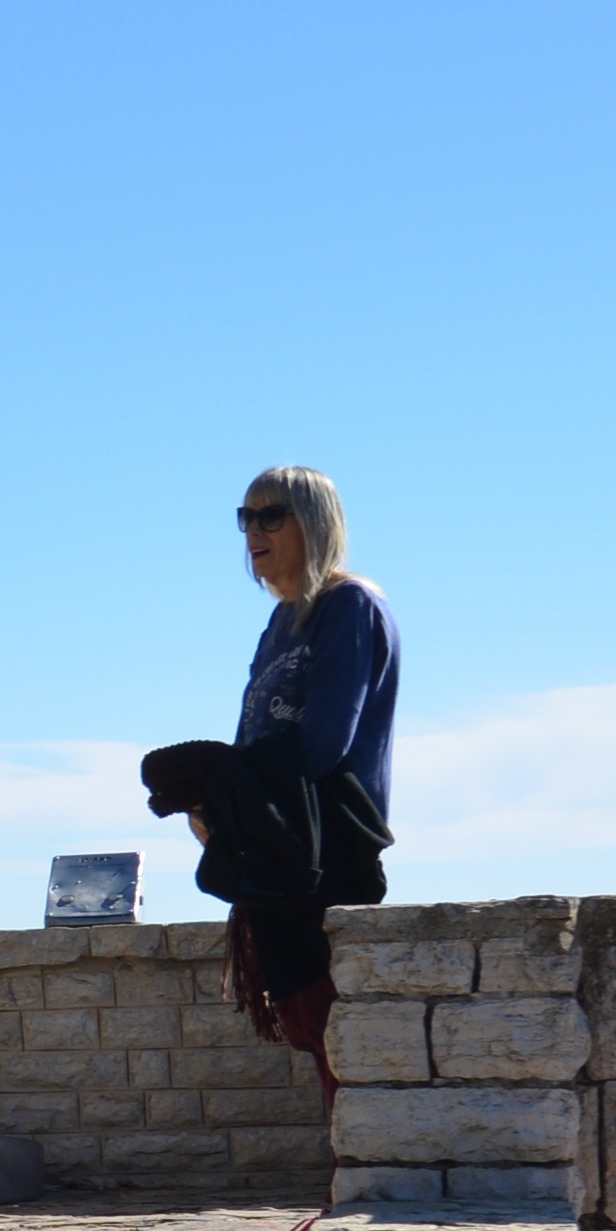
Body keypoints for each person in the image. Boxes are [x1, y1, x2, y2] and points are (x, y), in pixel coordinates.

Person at [137, 465, 397, 1102]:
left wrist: (233, 795)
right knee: (309, 1023)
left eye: (270, 515)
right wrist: (212, 810)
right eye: (244, 518)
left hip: (324, 850)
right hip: (272, 853)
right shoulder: (280, 625)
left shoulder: (349, 605)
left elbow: (324, 743)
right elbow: (253, 739)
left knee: (333, 1022)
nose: (253, 530)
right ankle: (348, 1180)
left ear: (313, 523)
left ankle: (359, 1182)